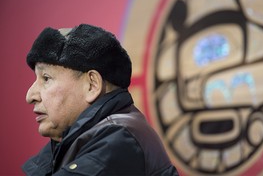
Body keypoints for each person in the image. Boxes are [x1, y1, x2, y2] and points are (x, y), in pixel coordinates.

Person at [22, 24, 179, 176]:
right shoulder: (95, 136)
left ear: (92, 85)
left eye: (46, 78)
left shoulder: (118, 140)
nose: (30, 96)